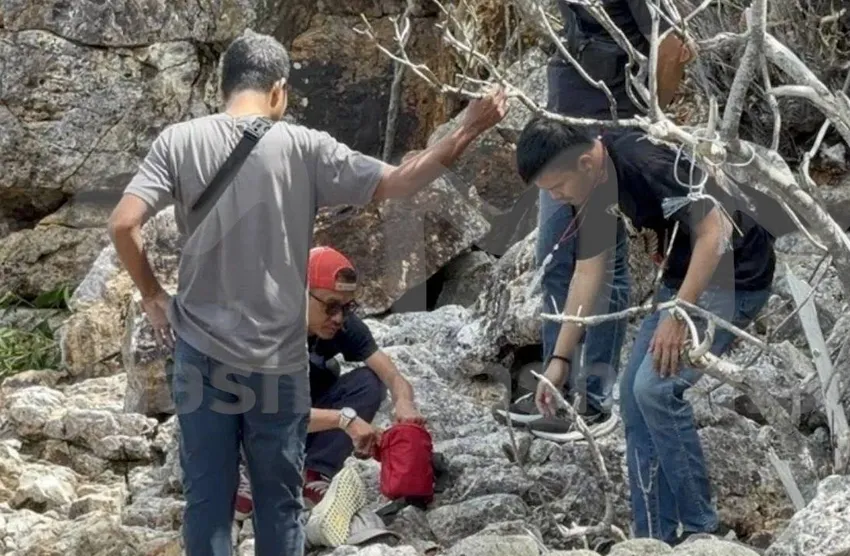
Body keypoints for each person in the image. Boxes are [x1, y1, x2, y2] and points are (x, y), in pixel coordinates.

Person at [107, 29, 508, 556]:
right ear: (278, 90)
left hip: (201, 356)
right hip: (276, 362)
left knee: (208, 500)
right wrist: (469, 127)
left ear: (226, 87)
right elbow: (404, 181)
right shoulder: (304, 147)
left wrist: (154, 295)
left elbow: (122, 225)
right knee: (280, 502)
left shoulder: (178, 141)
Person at [515, 117, 775, 545]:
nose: (556, 198)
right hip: (684, 276)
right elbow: (588, 269)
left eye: (556, 187)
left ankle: (702, 531)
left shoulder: (646, 162)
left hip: (734, 276)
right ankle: (652, 540)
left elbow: (717, 232)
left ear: (584, 162)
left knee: (654, 390)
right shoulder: (592, 178)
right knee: (632, 401)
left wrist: (676, 315)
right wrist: (559, 360)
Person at [500, 1, 694, 433]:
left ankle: (594, 402)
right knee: (557, 262)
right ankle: (557, 393)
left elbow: (673, 40)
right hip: (564, 133)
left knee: (603, 269)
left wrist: (649, 119)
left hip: (603, 138)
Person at [233, 245, 423, 519]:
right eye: (331, 306)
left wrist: (404, 402)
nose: (338, 318)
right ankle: (245, 471)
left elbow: (391, 374)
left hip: (299, 416)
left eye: (347, 307)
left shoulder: (340, 323)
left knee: (368, 382)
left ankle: (315, 472)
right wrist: (344, 420)